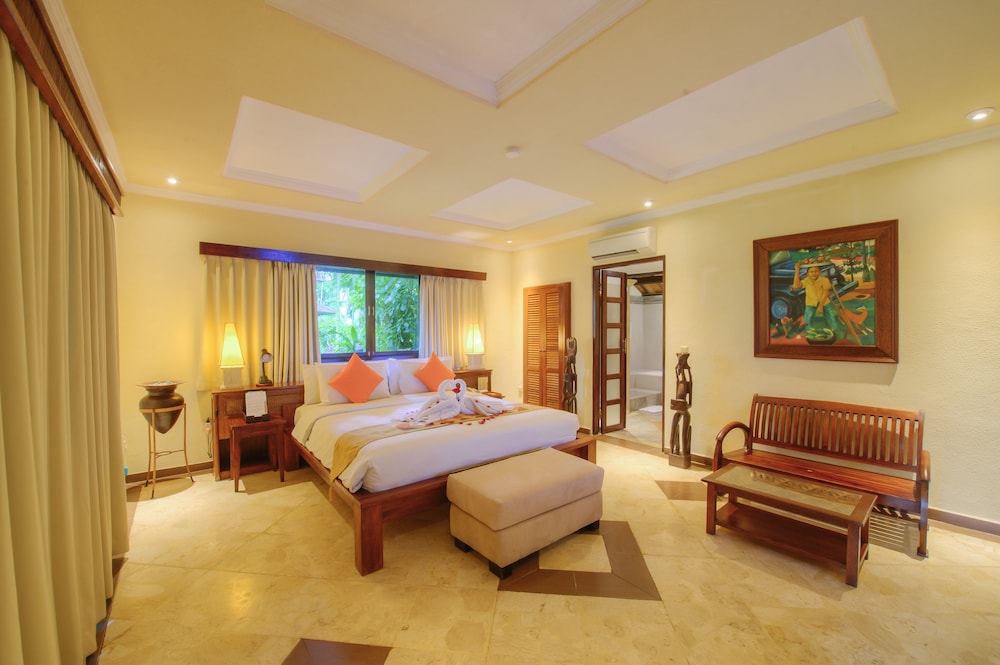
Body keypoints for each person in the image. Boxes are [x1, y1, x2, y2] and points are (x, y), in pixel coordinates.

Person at [793, 260, 839, 335]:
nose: (814, 273)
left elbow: (827, 292)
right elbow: (796, 286)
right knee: (808, 318)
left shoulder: (824, 280)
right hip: (811, 303)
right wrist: (797, 270)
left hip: (824, 302)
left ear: (820, 272)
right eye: (811, 271)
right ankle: (809, 332)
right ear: (807, 273)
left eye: (816, 271)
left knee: (830, 317)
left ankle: (834, 332)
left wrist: (821, 306)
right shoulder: (806, 281)